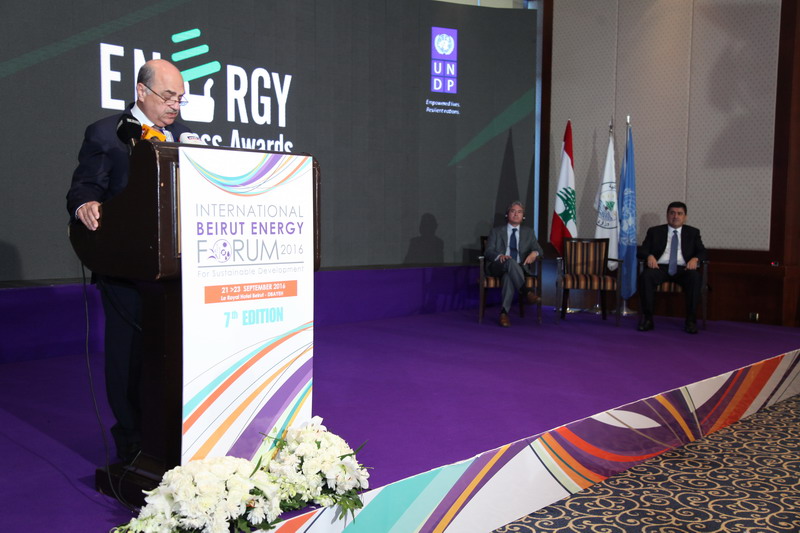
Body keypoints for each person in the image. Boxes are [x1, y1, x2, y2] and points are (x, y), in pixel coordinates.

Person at [66, 59, 191, 463]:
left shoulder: (185, 136)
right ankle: (132, 441)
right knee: (129, 357)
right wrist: (85, 204)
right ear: (141, 91)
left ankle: (175, 432)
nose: (175, 106)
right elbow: (84, 187)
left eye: (180, 99)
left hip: (177, 269)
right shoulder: (107, 133)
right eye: (168, 97)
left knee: (174, 355)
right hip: (126, 269)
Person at [637, 201, 707, 334]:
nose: (675, 216)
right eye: (672, 213)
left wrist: (695, 259)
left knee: (695, 277)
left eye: (679, 213)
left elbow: (703, 252)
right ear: (667, 215)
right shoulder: (654, 231)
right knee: (646, 276)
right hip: (660, 268)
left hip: (683, 269)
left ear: (685, 217)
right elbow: (642, 250)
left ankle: (691, 321)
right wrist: (649, 256)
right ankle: (647, 319)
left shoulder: (693, 232)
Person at [485, 201, 544, 327]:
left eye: (519, 212)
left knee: (508, 276)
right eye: (513, 211)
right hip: (498, 266)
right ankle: (526, 292)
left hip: (518, 269)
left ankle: (504, 314)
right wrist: (500, 256)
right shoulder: (496, 231)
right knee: (509, 261)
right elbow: (488, 251)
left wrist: (534, 253)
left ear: (523, 216)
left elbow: (539, 250)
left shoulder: (529, 232)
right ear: (507, 215)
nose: (516, 214)